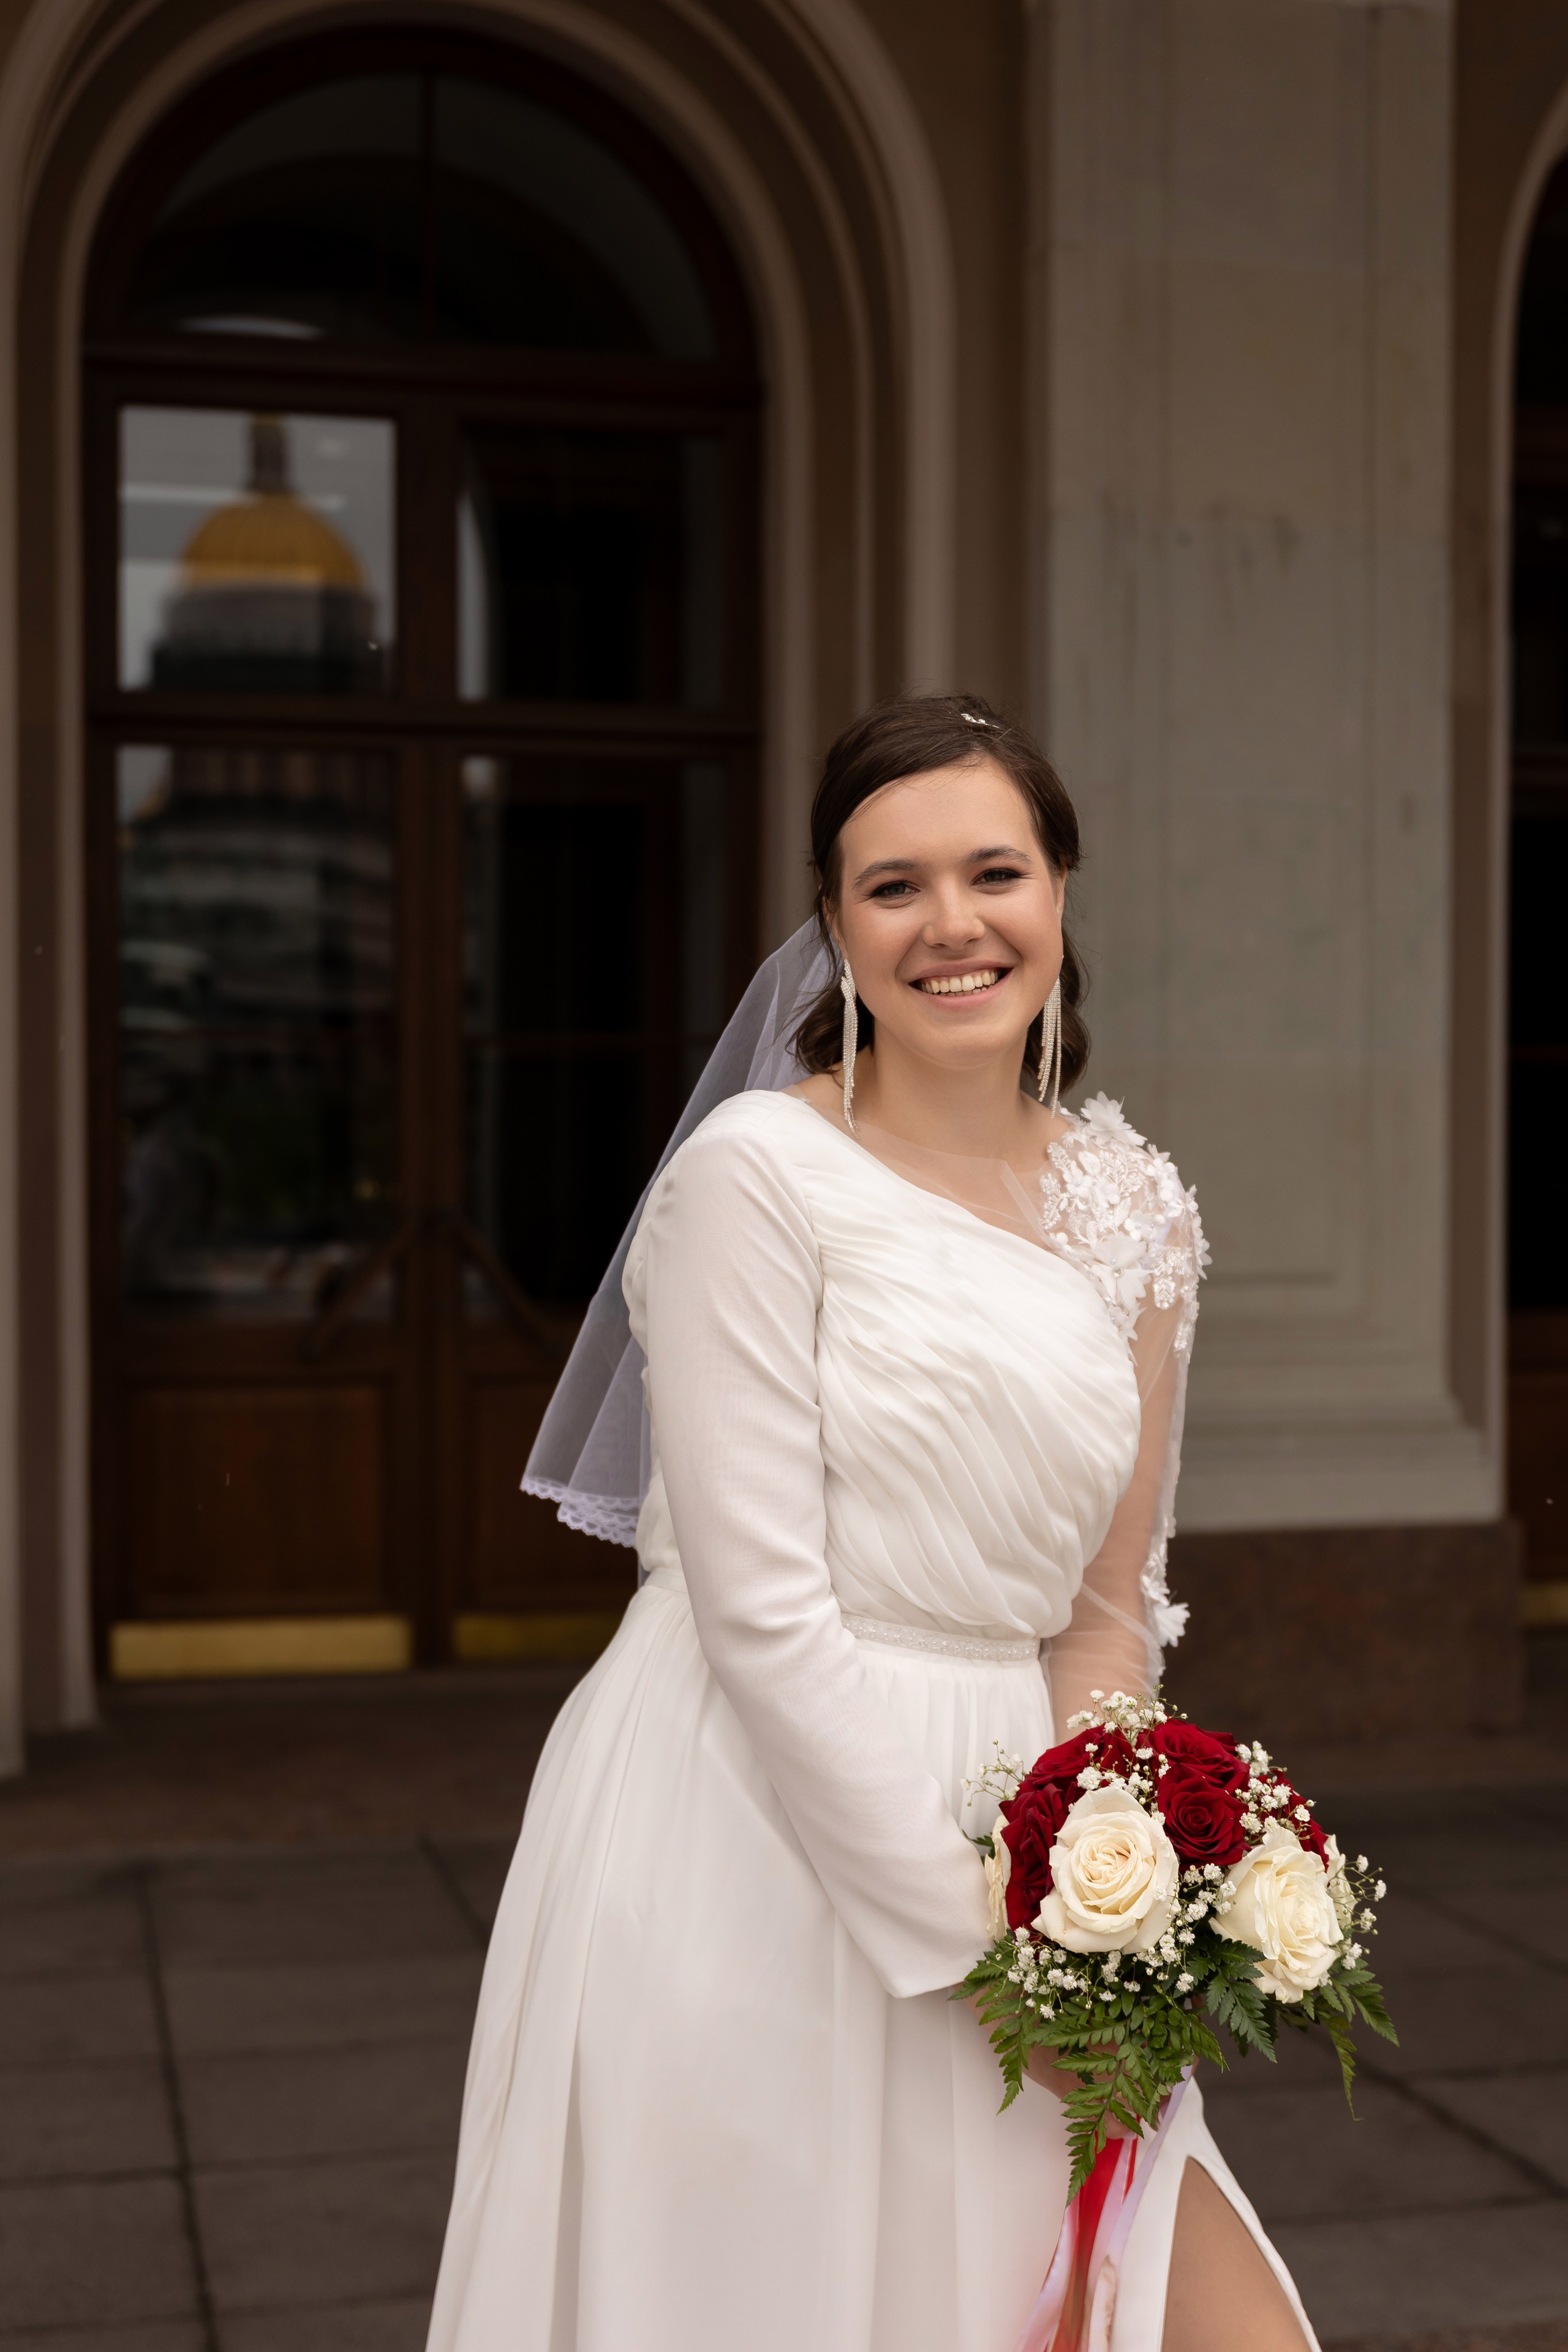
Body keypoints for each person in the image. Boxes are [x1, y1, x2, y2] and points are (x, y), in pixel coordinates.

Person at [426, 696, 1319, 2352]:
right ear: (835, 928)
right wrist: (971, 1946)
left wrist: (1104, 1889)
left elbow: (1108, 1606)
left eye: (996, 871)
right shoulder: (751, 1182)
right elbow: (761, 1612)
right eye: (893, 886)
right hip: (739, 1825)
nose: (953, 924)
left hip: (1014, 1823)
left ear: (1061, 893)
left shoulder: (1139, 1210)